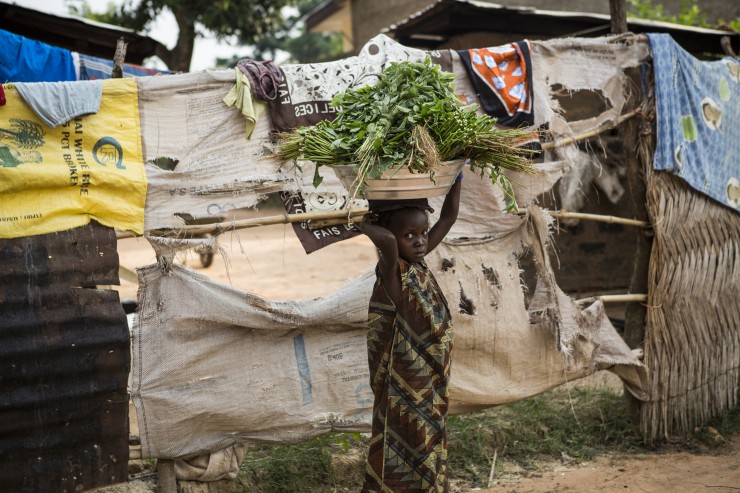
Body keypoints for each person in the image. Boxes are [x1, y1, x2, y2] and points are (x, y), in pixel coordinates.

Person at [356, 173, 462, 493]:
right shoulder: (391, 274)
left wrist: (457, 172)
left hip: (428, 384)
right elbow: (387, 243)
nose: (420, 241)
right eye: (409, 235)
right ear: (390, 235)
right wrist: (360, 222)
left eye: (422, 234)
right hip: (403, 387)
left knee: (429, 440)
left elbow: (448, 216)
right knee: (403, 441)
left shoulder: (418, 266)